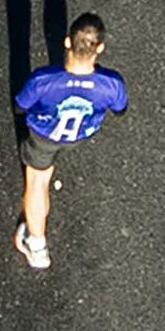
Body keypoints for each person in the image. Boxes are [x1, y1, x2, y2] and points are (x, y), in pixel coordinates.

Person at [13, 18, 127, 268]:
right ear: (100, 49)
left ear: (67, 42)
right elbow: (120, 109)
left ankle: (37, 244)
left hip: (45, 137)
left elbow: (21, 105)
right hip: (79, 135)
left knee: (37, 183)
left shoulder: (43, 80)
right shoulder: (112, 83)